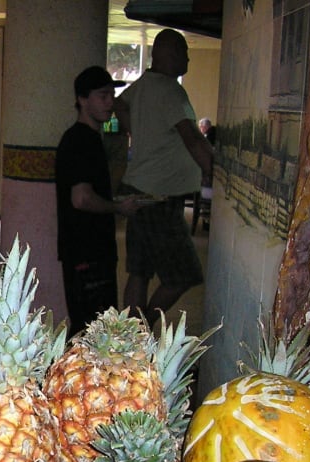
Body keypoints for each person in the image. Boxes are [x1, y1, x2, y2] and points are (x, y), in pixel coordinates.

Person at [115, 28, 214, 324]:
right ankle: (143, 327)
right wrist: (212, 171)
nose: (187, 60)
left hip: (137, 190)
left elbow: (120, 104)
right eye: (184, 53)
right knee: (185, 274)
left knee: (140, 270)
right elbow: (192, 138)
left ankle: (130, 336)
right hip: (157, 198)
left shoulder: (144, 84)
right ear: (168, 53)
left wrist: (137, 129)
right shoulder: (171, 90)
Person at [55, 66, 140, 336]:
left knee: (95, 327)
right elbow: (81, 198)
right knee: (91, 331)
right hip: (86, 252)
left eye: (112, 96)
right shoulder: (80, 141)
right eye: (102, 96)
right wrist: (119, 207)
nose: (110, 103)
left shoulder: (90, 138)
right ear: (82, 99)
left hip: (92, 250)